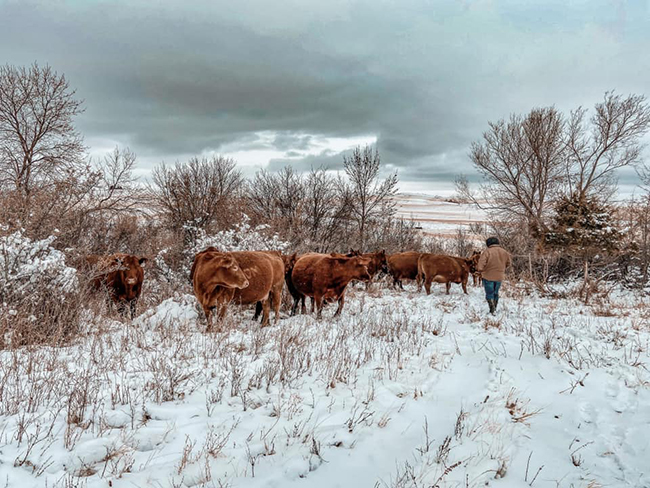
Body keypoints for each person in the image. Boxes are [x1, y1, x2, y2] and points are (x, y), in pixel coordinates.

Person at [477, 237, 511, 314]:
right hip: (499, 276)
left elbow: (480, 266)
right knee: (496, 292)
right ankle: (495, 307)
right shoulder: (504, 252)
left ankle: (492, 309)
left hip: (488, 276)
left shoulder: (487, 252)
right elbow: (508, 263)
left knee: (489, 293)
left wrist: (480, 270)